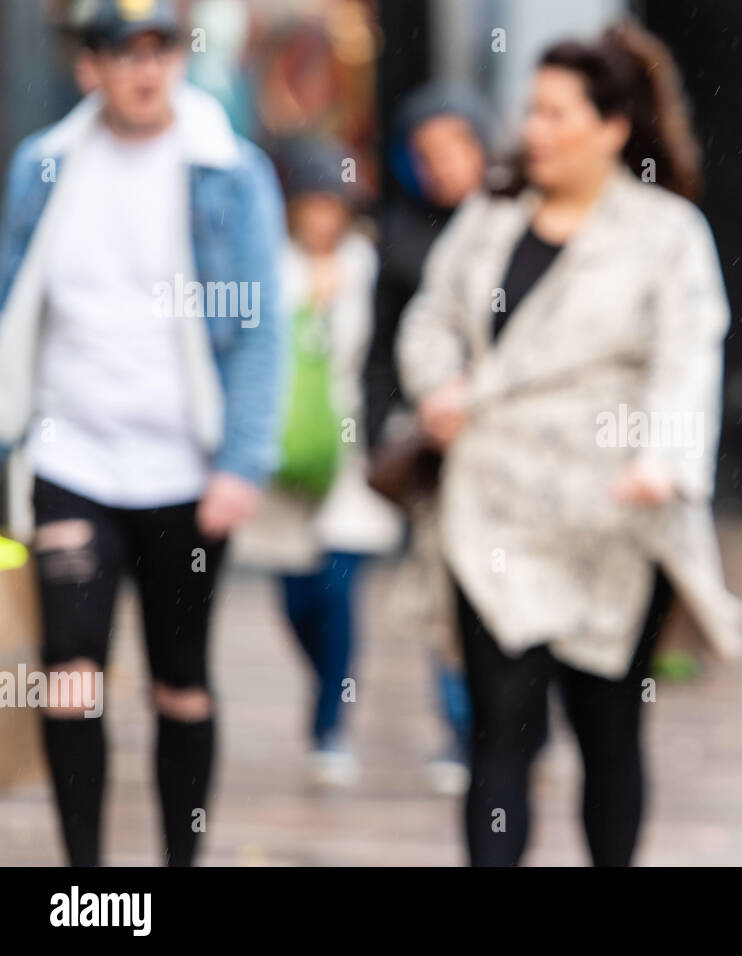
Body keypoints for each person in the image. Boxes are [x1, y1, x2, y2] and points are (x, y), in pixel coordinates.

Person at [396, 21, 742, 867]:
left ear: (613, 127)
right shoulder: (490, 215)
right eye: (532, 111)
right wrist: (437, 386)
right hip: (494, 509)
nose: (535, 131)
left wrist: (662, 456)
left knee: (609, 729)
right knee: (499, 731)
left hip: (611, 519)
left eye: (558, 114)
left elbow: (687, 357)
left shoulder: (667, 233)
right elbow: (431, 318)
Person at [0, 0, 285, 866]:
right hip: (71, 455)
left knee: (180, 683)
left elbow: (262, 325)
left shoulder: (228, 170)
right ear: (90, 67)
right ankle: (87, 883)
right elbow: (14, 301)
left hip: (184, 467)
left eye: (160, 49)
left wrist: (243, 460)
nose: (144, 68)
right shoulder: (43, 165)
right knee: (70, 677)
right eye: (124, 53)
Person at [232, 138, 403, 786]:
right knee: (295, 595)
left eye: (333, 205)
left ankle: (330, 721)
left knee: (337, 586)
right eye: (312, 205)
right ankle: (326, 686)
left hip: (352, 453)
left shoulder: (371, 268)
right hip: (283, 457)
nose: (322, 219)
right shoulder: (271, 268)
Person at [363, 84, 493, 796]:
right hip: (436, 444)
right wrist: (381, 425)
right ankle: (461, 728)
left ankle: (516, 724)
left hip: (513, 442)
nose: (443, 167)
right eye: (427, 155)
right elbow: (384, 347)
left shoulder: (515, 225)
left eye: (456, 149)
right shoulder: (402, 238)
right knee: (444, 583)